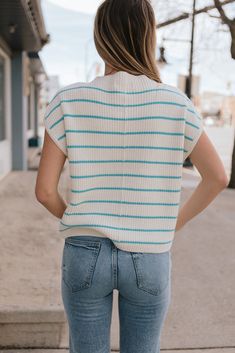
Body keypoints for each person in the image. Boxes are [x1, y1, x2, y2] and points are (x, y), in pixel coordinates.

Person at [35, 0, 229, 352]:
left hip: (83, 253)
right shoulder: (176, 105)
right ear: (148, 37)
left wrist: (82, 221)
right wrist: (171, 224)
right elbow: (216, 177)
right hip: (150, 254)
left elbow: (45, 191)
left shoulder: (67, 101)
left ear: (100, 38)